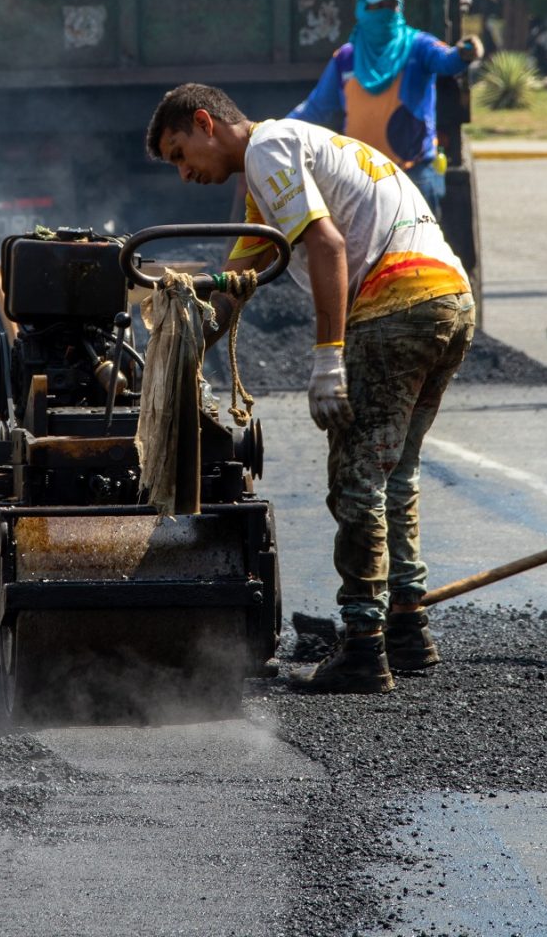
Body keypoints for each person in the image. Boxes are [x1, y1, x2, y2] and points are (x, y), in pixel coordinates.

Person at [145, 84, 475, 695]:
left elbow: (327, 244)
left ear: (205, 122)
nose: (184, 172)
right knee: (395, 471)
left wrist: (328, 358)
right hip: (450, 301)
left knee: (356, 478)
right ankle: (407, 626)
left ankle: (364, 647)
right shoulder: (280, 168)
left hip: (397, 305)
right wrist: (168, 357)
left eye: (179, 153)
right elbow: (231, 289)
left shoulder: (268, 149)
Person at [289, 0, 482, 215]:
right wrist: (277, 128)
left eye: (391, 5)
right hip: (360, 176)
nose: (386, 13)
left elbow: (446, 61)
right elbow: (316, 108)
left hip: (414, 173)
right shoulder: (345, 58)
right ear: (362, 10)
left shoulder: (418, 46)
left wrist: (463, 54)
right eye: (378, 6)